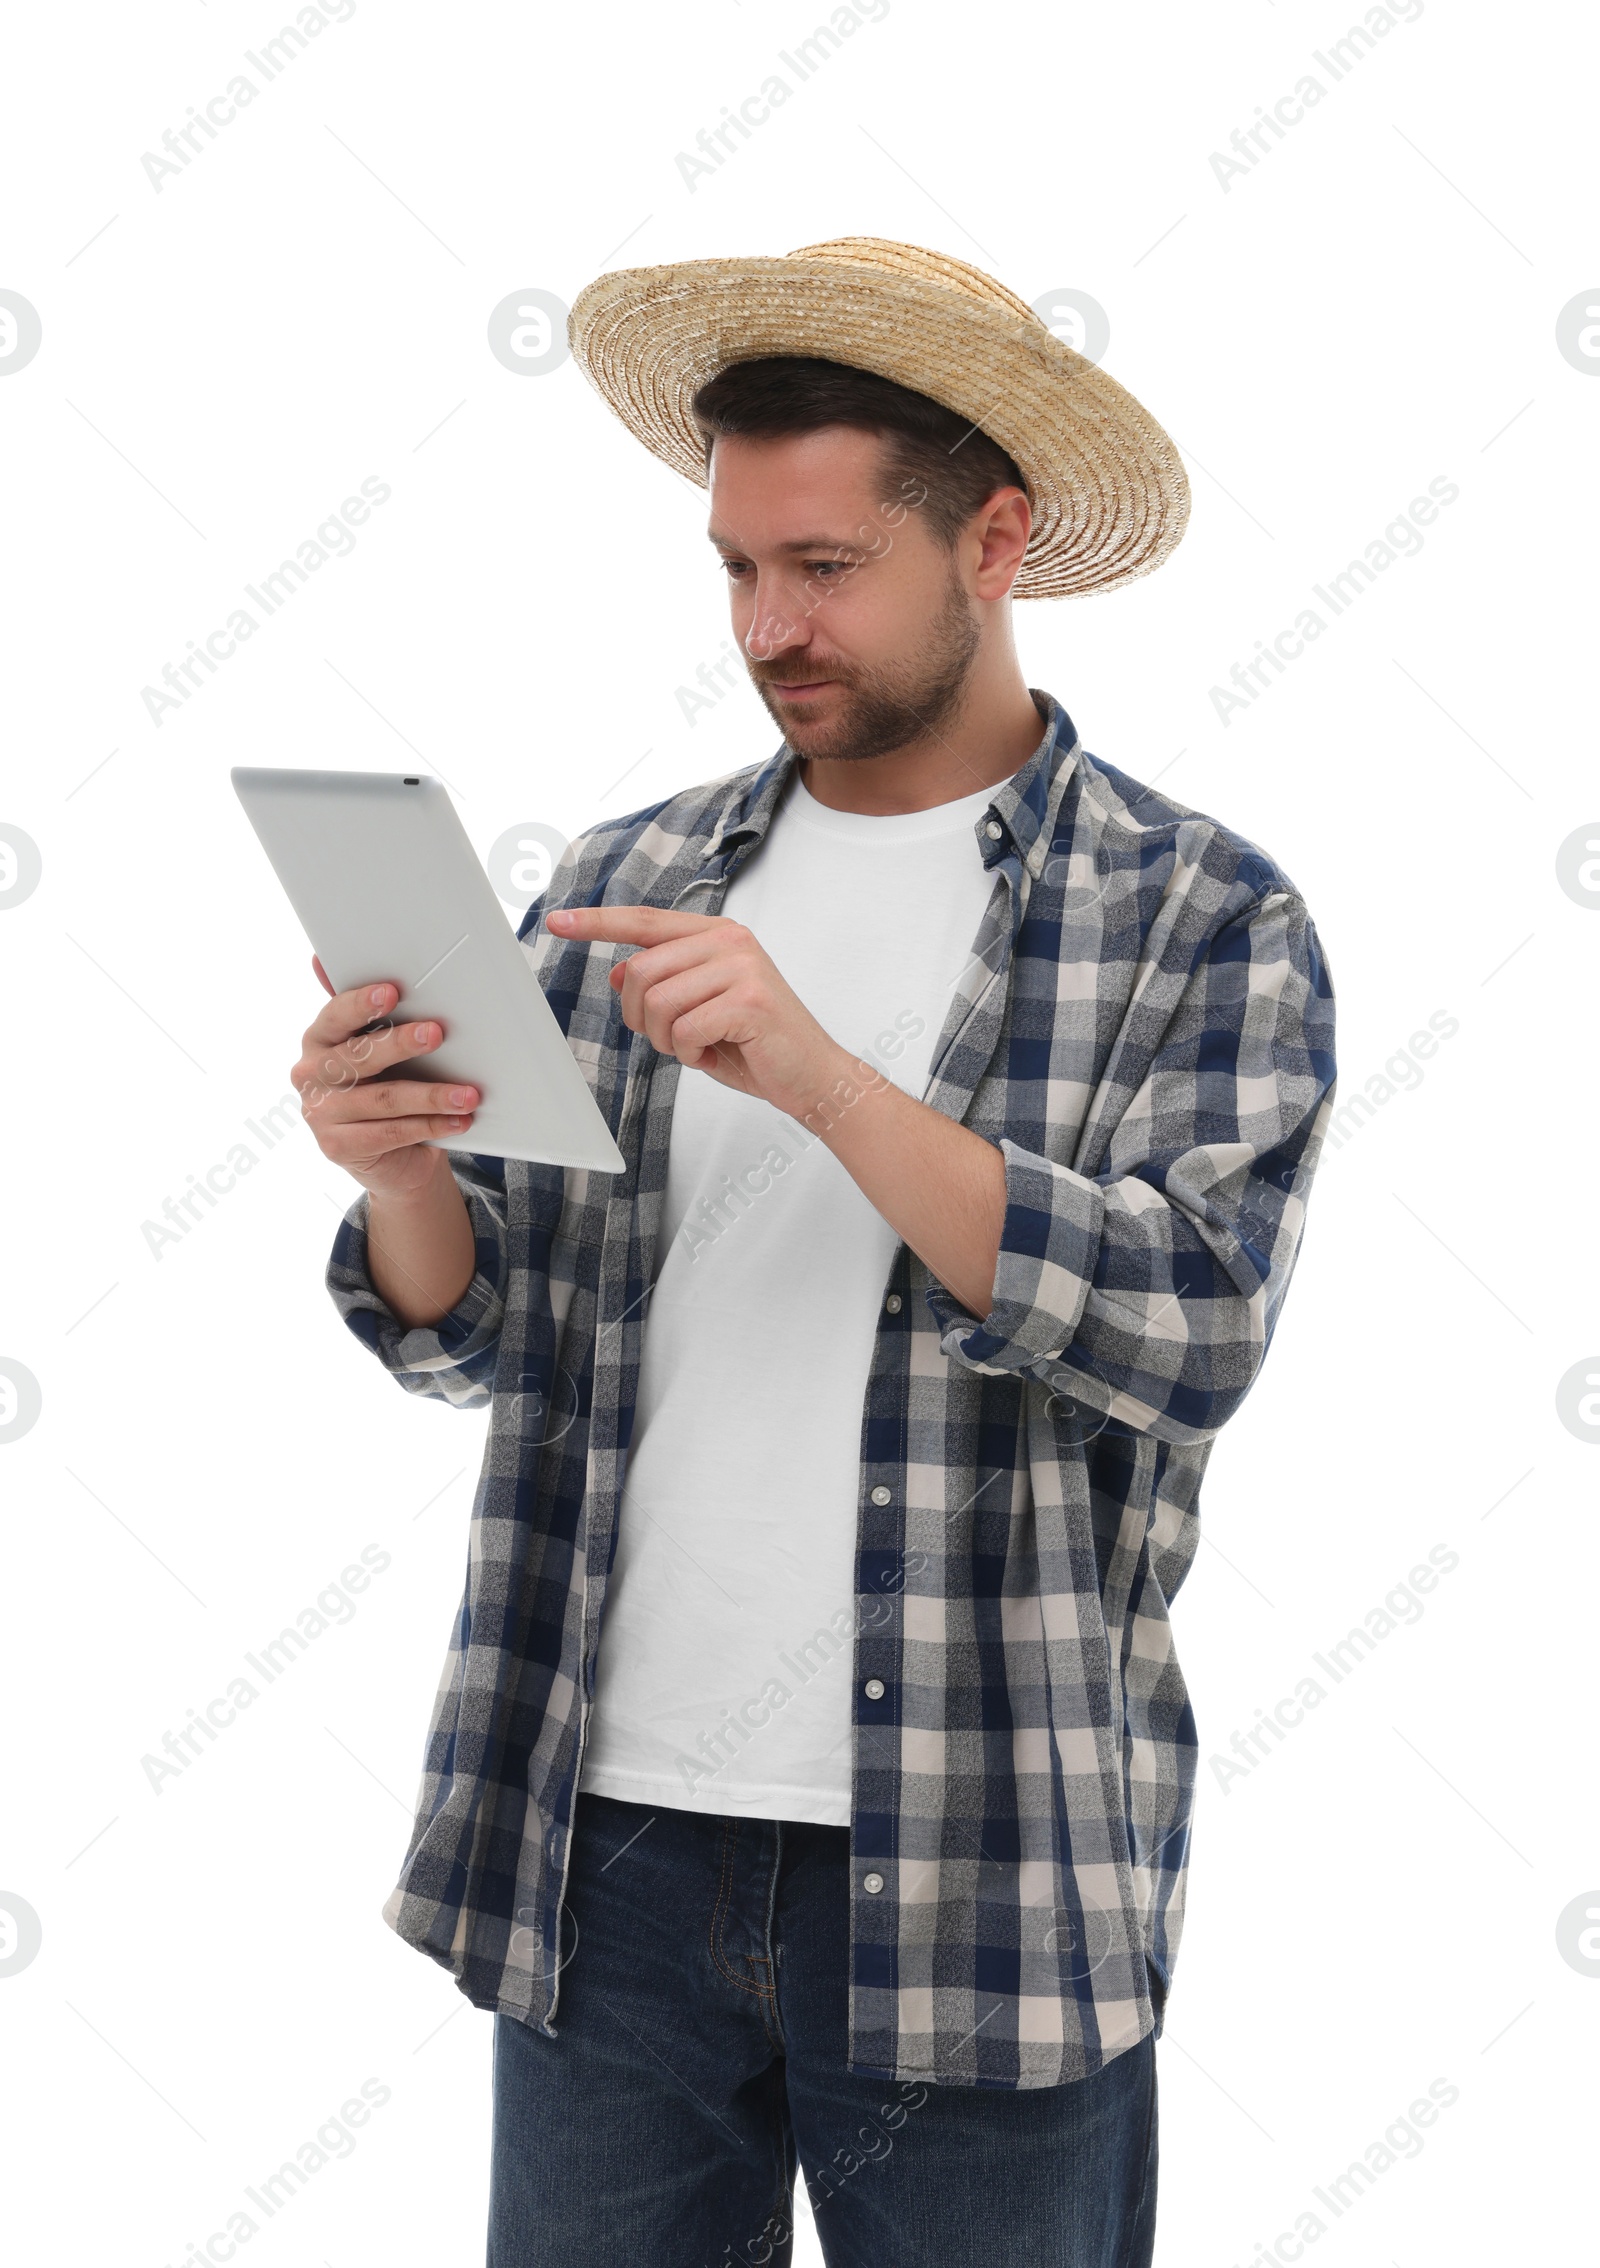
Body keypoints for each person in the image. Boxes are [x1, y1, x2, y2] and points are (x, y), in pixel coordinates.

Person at [297, 237, 1338, 2265]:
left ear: (996, 541)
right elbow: (479, 1335)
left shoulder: (1198, 914)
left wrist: (824, 1078)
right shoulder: (623, 884)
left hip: (985, 1857)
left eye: (826, 566)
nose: (768, 625)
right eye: (734, 568)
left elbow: (1189, 1330)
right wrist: (399, 1168)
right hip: (601, 1844)